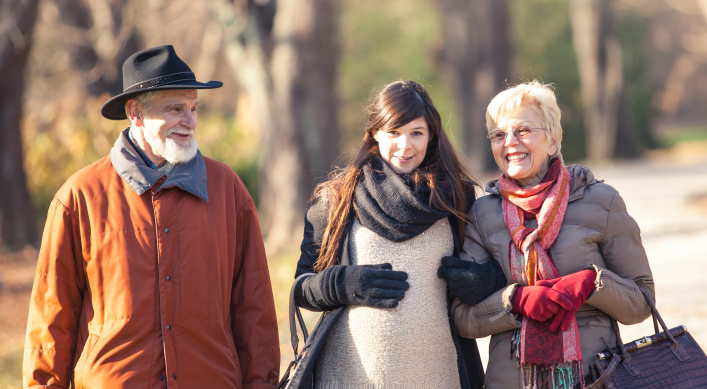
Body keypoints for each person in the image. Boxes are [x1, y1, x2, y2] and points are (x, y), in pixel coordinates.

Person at [24, 45, 280, 388]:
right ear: (135, 114)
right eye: (176, 109)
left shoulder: (229, 191)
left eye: (193, 108)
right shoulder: (79, 197)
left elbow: (255, 310)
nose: (190, 121)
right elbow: (51, 318)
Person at [293, 80, 507, 389]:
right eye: (394, 132)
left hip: (441, 378)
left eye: (416, 133)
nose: (405, 146)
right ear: (375, 134)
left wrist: (483, 281)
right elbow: (302, 288)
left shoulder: (460, 198)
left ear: (431, 136)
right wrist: (342, 283)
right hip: (346, 379)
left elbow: (502, 275)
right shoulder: (336, 199)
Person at [452, 81, 655, 389]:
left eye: (522, 130)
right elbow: (463, 318)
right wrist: (516, 300)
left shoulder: (601, 200)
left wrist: (591, 284)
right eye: (499, 134)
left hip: (594, 378)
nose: (509, 142)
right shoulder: (482, 214)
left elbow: (642, 303)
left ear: (553, 140)